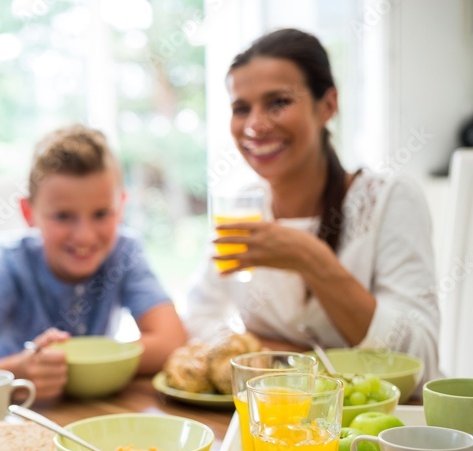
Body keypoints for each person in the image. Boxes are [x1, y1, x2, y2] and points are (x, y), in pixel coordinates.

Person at [184, 28, 440, 388]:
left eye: (278, 102)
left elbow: (420, 363)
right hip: (278, 423)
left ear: (328, 106)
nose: (255, 125)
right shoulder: (244, 205)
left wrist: (313, 261)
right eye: (241, 108)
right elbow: (198, 314)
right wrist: (262, 356)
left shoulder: (387, 199)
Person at [0, 125, 188, 399]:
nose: (84, 236)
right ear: (28, 212)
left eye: (102, 214)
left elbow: (172, 341)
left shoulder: (124, 251)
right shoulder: (9, 264)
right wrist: (19, 372)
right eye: (63, 216)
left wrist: (87, 361)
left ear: (121, 207)